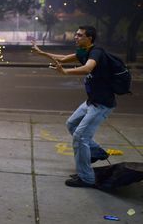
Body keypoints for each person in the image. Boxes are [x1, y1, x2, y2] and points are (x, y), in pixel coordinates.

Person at [32, 25, 114, 188]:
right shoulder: (83, 53)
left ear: (89, 38)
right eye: (75, 35)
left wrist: (66, 73)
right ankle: (97, 152)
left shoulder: (96, 52)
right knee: (71, 124)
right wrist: (42, 53)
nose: (76, 37)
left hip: (101, 104)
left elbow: (88, 68)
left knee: (80, 136)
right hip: (91, 102)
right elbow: (62, 59)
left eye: (79, 35)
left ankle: (87, 178)